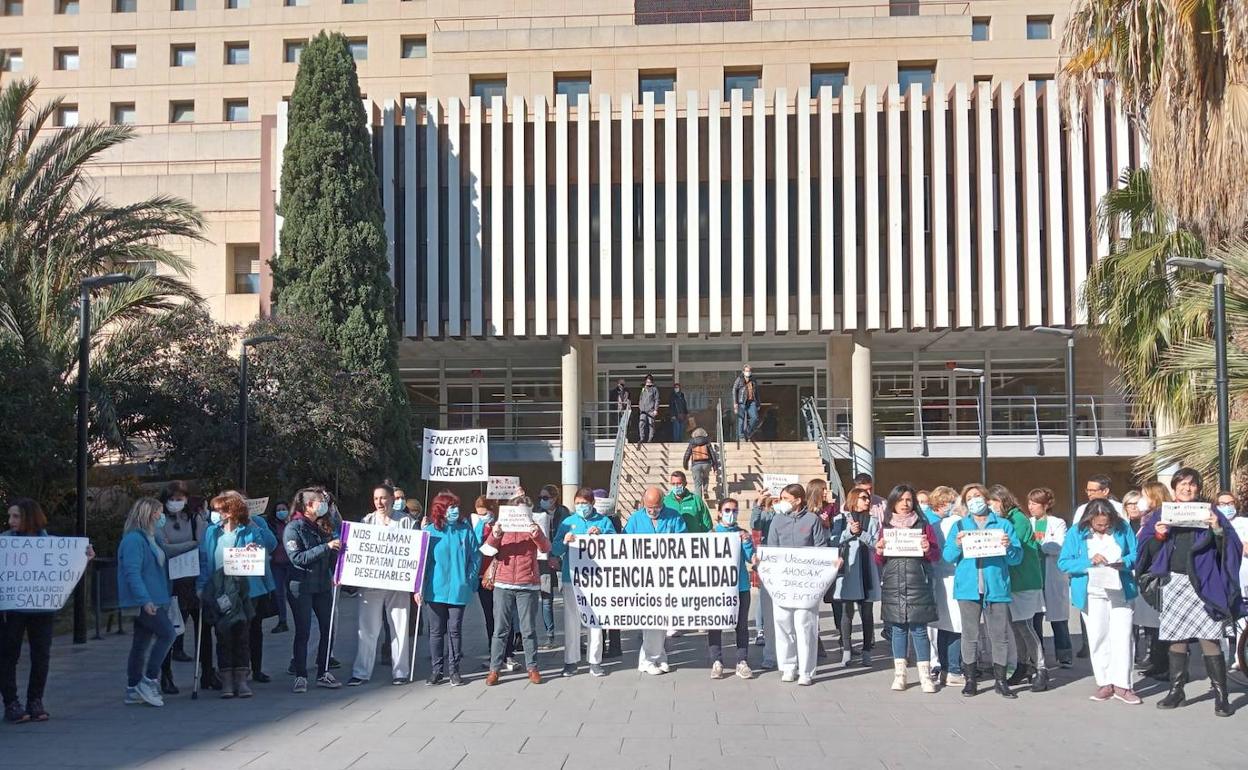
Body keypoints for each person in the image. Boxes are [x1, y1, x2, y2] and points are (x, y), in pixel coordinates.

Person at [1137, 467, 1244, 717]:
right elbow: (1145, 549)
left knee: (1209, 636)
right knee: (1177, 637)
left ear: (1198, 488)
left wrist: (1217, 529)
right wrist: (1159, 535)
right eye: (1182, 484)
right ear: (1174, 489)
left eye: (1192, 485)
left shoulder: (1210, 511)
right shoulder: (1162, 512)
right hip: (1174, 581)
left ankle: (1221, 696)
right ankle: (1177, 691)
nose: (1187, 488)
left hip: (1205, 582)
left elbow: (1232, 546)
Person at [1, 499, 93, 722]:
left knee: (41, 655)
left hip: (42, 608)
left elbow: (67, 565)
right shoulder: (5, 542)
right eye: (10, 516)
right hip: (13, 609)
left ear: (29, 517)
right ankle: (11, 703)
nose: (10, 521)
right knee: (7, 655)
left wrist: (85, 556)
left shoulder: (50, 544)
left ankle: (35, 701)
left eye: (16, 516)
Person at [943, 484, 1023, 698]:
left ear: (986, 499)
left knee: (999, 635)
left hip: (996, 587)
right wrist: (957, 545)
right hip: (968, 588)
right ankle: (970, 679)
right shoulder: (960, 526)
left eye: (977, 496)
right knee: (970, 635)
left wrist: (1009, 547)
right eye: (969, 497)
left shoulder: (1003, 525)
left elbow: (1017, 558)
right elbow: (948, 556)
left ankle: (1000, 680)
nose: (974, 500)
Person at [1058, 498, 1141, 704]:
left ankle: (1123, 685)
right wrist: (1087, 562)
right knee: (1098, 636)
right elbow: (1064, 562)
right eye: (1099, 525)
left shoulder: (1123, 528)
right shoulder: (1077, 532)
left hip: (1120, 590)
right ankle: (1105, 683)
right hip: (1092, 592)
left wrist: (1124, 562)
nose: (1103, 528)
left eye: (1107, 524)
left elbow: (1137, 553)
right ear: (1089, 521)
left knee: (1122, 636)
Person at [197, 492, 275, 699]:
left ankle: (242, 679)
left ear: (231, 512)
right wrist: (201, 586)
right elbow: (205, 560)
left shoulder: (249, 529)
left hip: (245, 590)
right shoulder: (211, 532)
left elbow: (269, 544)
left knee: (242, 635)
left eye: (219, 510)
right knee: (222, 635)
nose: (215, 514)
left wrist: (255, 539)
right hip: (220, 589)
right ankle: (226, 681)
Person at [347, 484, 420, 687]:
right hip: (371, 584)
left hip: (398, 584)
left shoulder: (406, 521)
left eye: (383, 498)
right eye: (376, 498)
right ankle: (361, 672)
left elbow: (416, 551)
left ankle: (400, 671)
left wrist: (416, 585)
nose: (379, 502)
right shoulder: (367, 521)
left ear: (392, 499)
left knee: (399, 627)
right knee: (367, 628)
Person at [873, 484, 940, 693]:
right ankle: (900, 674)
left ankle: (925, 676)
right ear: (893, 502)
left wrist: (928, 549)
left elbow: (935, 556)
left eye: (909, 500)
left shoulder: (923, 524)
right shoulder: (886, 526)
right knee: (898, 630)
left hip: (917, 581)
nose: (905, 504)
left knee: (919, 630)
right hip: (893, 583)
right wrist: (879, 550)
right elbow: (879, 559)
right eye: (901, 500)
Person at [767, 483, 830, 686]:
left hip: (806, 583)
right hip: (783, 581)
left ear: (798, 500)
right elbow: (772, 547)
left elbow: (821, 547)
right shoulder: (777, 520)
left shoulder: (812, 520)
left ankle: (806, 671)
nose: (782, 501)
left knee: (805, 626)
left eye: (786, 498)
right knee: (783, 624)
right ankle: (788, 666)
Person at [483, 496, 551, 686]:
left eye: (524, 511)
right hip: (503, 584)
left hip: (527, 584)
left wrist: (537, 534)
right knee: (500, 629)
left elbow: (546, 548)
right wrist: (495, 533)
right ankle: (494, 670)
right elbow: (488, 549)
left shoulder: (533, 526)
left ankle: (532, 668)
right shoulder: (502, 525)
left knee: (528, 629)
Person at [118, 498, 178, 708]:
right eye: (159, 513)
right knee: (168, 633)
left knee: (140, 643)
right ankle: (149, 679)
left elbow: (167, 555)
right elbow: (132, 572)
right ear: (149, 514)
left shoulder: (153, 537)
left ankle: (133, 687)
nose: (162, 517)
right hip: (146, 599)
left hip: (155, 597)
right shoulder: (134, 540)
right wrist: (144, 600)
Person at [988, 485, 1048, 692]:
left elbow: (1014, 547)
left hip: (1024, 579)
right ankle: (1023, 665)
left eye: (993, 502)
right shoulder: (999, 521)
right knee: (1015, 626)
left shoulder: (1017, 520)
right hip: (1009, 581)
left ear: (1002, 501)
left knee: (1024, 625)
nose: (990, 507)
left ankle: (1041, 667)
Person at [550, 487, 616, 677]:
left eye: (584, 503)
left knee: (595, 619)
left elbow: (616, 543)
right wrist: (564, 540)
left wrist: (602, 535)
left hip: (596, 579)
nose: (581, 507)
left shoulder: (604, 521)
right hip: (571, 577)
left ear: (592, 503)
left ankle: (595, 661)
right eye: (578, 503)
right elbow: (555, 549)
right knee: (571, 620)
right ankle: (570, 661)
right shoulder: (568, 522)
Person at [623, 487, 688, 674]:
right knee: (650, 619)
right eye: (649, 507)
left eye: (657, 507)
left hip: (667, 576)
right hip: (643, 577)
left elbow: (684, 542)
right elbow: (624, 544)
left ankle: (659, 656)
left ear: (663, 504)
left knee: (663, 618)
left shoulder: (673, 517)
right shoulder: (635, 519)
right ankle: (648, 659)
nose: (653, 511)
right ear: (644, 504)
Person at [284, 488, 343, 693]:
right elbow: (297, 558)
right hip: (300, 586)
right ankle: (301, 674)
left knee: (328, 628)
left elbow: (334, 554)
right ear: (309, 505)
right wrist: (326, 548)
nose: (324, 505)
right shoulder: (294, 527)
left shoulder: (323, 525)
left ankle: (323, 671)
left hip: (323, 585)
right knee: (304, 631)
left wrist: (339, 566)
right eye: (320, 502)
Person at [419, 491, 480, 687]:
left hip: (458, 589)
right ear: (441, 509)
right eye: (451, 507)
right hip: (435, 590)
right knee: (436, 632)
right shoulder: (430, 531)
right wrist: (418, 587)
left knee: (454, 630)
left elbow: (475, 557)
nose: (455, 510)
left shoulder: (465, 530)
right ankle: (437, 671)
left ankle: (454, 670)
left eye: (456, 506)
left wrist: (469, 580)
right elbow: (422, 562)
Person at [831, 485, 879, 668]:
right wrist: (849, 532)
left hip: (867, 569)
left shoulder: (873, 521)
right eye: (863, 498)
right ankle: (846, 649)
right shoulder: (841, 519)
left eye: (868, 498)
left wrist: (862, 534)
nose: (867, 501)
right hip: (848, 570)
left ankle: (867, 650)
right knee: (846, 612)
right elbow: (834, 541)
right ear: (853, 500)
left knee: (867, 612)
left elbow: (877, 543)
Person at [707, 498, 756, 679]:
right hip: (717, 587)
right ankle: (716, 661)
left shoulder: (742, 534)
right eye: (727, 510)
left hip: (740, 586)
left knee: (741, 625)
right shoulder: (711, 533)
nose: (731, 514)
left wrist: (748, 542)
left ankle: (742, 661)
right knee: (715, 625)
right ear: (719, 512)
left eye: (734, 510)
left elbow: (751, 558)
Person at [1026, 488, 1073, 669]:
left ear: (1045, 505)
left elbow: (1058, 547)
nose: (1031, 507)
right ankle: (1038, 655)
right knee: (1035, 617)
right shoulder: (1028, 522)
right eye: (1029, 503)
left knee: (1058, 619)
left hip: (1052, 574)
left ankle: (1064, 654)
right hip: (1035, 575)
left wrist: (1039, 548)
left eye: (1035, 504)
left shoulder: (1057, 523)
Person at [926, 486, 964, 686]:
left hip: (938, 577)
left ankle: (944, 667)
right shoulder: (958, 523)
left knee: (943, 626)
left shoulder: (934, 525)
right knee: (956, 626)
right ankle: (954, 669)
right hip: (955, 576)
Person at [1133, 481, 1170, 680]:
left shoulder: (1161, 517)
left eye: (1144, 495)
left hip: (1158, 575)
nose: (1141, 499)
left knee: (1161, 621)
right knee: (1152, 624)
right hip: (1147, 575)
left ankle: (1167, 665)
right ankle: (1157, 662)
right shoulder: (1145, 520)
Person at [534, 484, 568, 648]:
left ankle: (572, 634)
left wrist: (557, 556)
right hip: (543, 560)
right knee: (546, 599)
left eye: (546, 498)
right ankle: (550, 636)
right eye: (540, 497)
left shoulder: (564, 512)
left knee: (568, 598)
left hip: (561, 560)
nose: (542, 500)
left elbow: (566, 536)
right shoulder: (537, 513)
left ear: (555, 498)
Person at [750, 494, 775, 655]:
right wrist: (757, 506)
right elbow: (755, 524)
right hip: (768, 556)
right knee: (763, 595)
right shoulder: (767, 514)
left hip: (784, 556)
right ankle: (760, 629)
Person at [268, 500, 292, 634]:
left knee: (292, 594)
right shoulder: (270, 525)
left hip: (291, 563)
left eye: (283, 509)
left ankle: (298, 618)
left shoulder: (292, 524)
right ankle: (282, 620)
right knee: (279, 594)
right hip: (277, 563)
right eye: (278, 510)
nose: (281, 512)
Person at [682, 427, 720, 499]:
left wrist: (685, 465)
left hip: (696, 464)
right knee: (706, 477)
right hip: (706, 464)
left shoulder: (692, 443)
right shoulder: (707, 442)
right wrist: (715, 467)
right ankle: (705, 490)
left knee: (697, 483)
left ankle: (699, 499)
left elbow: (687, 454)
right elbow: (712, 454)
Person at [731, 364, 762, 440]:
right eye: (747, 371)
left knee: (755, 418)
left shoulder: (753, 380)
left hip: (752, 401)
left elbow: (757, 391)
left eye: (749, 371)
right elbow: (734, 390)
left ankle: (747, 432)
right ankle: (741, 436)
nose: (748, 372)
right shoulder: (739, 379)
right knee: (741, 419)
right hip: (742, 401)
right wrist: (735, 403)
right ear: (743, 371)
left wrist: (758, 403)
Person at [638, 374, 660, 444]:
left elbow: (657, 399)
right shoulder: (643, 389)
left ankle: (650, 439)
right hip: (643, 410)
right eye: (647, 381)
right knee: (641, 423)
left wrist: (656, 409)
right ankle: (642, 438)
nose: (648, 383)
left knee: (651, 424)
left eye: (649, 381)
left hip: (651, 410)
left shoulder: (654, 389)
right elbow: (641, 398)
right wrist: (640, 406)